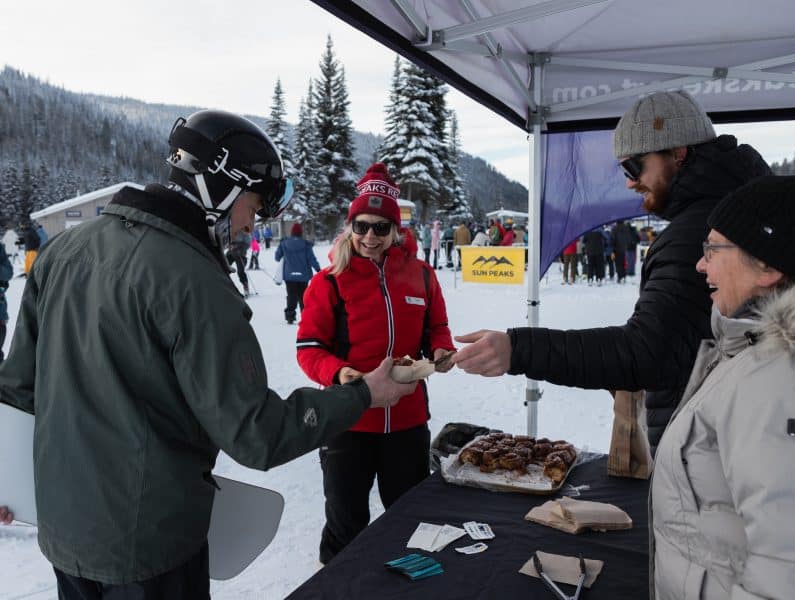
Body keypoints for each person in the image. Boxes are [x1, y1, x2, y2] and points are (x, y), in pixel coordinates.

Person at [0, 110, 415, 599]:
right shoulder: (196, 282)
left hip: (65, 532)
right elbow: (256, 434)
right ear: (222, 189)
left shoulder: (64, 251)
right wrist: (363, 393)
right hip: (150, 547)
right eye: (254, 206)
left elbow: (16, 391)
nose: (249, 224)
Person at [452, 90, 771, 451]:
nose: (629, 182)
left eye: (634, 166)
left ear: (678, 154)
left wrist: (518, 349)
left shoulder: (697, 232)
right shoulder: (740, 207)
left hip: (712, 445)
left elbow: (645, 352)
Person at [296, 162, 456, 565]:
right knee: (345, 526)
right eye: (361, 226)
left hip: (406, 421)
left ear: (395, 230)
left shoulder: (421, 276)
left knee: (411, 524)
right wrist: (340, 374)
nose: (370, 236)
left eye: (380, 227)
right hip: (348, 421)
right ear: (350, 227)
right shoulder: (329, 280)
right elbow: (309, 347)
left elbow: (437, 325)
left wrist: (440, 350)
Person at [651, 176, 795, 599]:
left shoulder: (779, 376)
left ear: (768, 268)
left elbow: (787, 568)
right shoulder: (745, 350)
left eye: (713, 249)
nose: (701, 264)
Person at [275, 222, 320, 324]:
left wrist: (281, 248)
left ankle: (290, 316)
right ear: (300, 233)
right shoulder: (306, 244)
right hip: (303, 276)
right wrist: (318, 270)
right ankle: (306, 317)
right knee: (303, 297)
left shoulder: (284, 243)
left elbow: (277, 257)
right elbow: (312, 259)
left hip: (289, 276)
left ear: (291, 233)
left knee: (291, 295)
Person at [227, 230, 251, 295]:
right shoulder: (230, 229)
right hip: (231, 253)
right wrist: (230, 245)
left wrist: (239, 247)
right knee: (223, 267)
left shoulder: (244, 232)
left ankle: (245, 287)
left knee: (240, 271)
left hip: (240, 254)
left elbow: (248, 244)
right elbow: (225, 241)